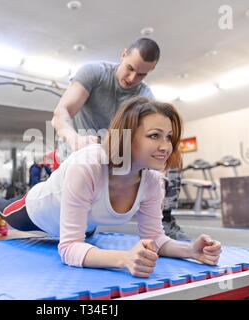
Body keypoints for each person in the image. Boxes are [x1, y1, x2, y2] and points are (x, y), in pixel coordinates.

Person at [0, 97, 221, 277]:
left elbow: (154, 238)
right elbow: (68, 249)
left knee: (86, 237)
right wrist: (124, 259)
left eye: (169, 137)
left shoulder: (153, 182)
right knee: (4, 209)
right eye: (154, 136)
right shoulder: (88, 165)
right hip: (40, 212)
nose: (166, 146)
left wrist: (190, 251)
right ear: (127, 135)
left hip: (84, 227)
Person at [51, 37, 188, 240]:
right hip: (79, 151)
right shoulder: (95, 72)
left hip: (113, 155)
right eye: (130, 68)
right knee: (60, 224)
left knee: (171, 162)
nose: (132, 78)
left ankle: (165, 220)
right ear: (123, 55)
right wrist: (74, 139)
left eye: (141, 74)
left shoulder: (145, 94)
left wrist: (160, 165)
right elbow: (61, 113)